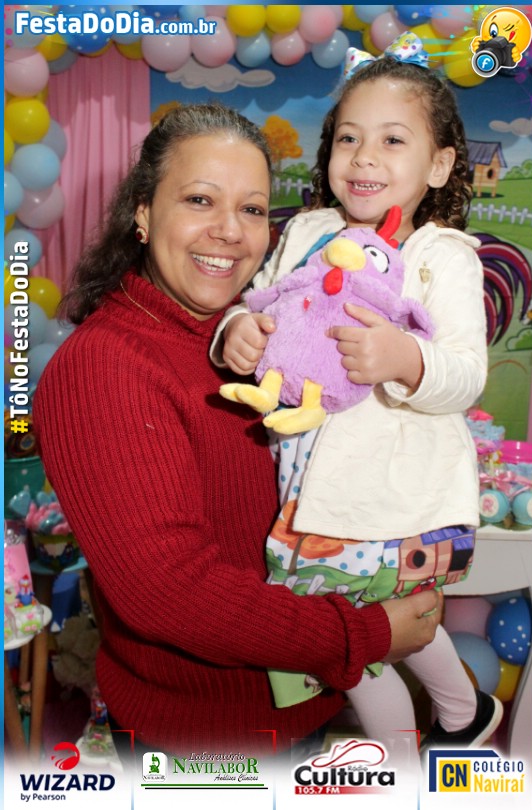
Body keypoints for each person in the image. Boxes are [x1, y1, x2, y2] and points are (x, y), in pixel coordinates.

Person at [32, 103, 442, 758]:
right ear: (143, 212)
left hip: (301, 704)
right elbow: (168, 592)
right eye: (200, 199)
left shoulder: (249, 338)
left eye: (252, 209)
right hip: (204, 746)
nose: (229, 231)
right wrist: (361, 635)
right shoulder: (104, 366)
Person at [212, 40, 503, 763]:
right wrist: (235, 332)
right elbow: (258, 301)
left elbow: (466, 372)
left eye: (392, 140)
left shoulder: (443, 256)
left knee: (368, 638)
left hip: (393, 494)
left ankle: (411, 752)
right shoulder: (308, 231)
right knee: (360, 633)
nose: (364, 156)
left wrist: (406, 359)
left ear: (439, 165)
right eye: (348, 138)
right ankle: (463, 713)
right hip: (307, 489)